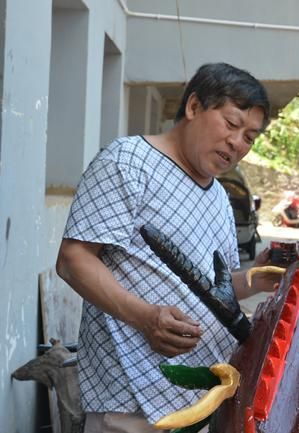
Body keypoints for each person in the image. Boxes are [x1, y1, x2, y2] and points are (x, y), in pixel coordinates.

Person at [56, 63, 276, 432]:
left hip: (202, 402)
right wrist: (145, 317)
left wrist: (257, 278)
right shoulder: (128, 161)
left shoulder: (219, 198)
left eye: (250, 137)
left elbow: (211, 291)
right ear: (194, 106)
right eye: (231, 124)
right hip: (131, 406)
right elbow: (73, 259)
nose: (238, 143)